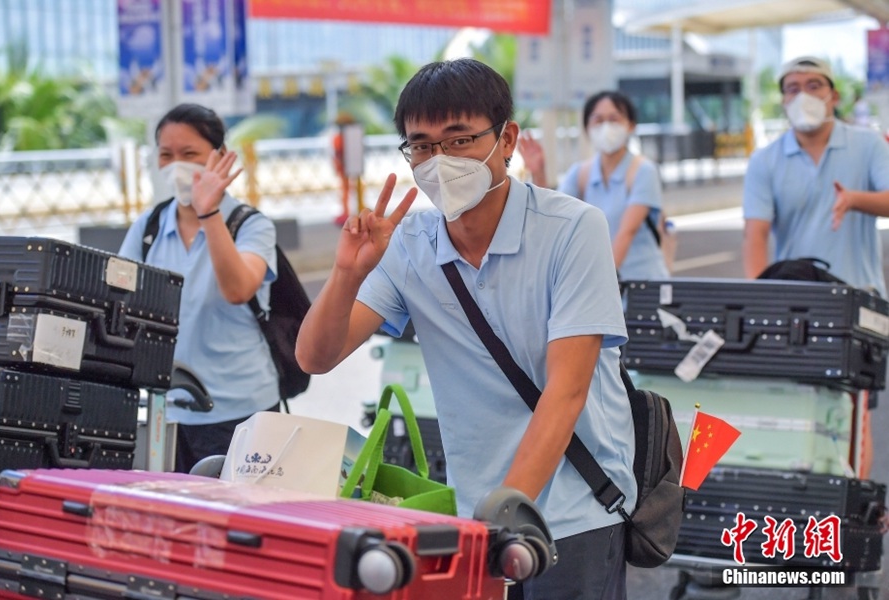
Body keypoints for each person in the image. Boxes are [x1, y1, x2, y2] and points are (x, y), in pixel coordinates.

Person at [296, 58, 636, 599]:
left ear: (507, 140)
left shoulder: (572, 229)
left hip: (573, 510)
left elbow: (566, 391)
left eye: (459, 140)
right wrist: (346, 273)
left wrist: (506, 514)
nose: (440, 161)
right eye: (422, 146)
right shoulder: (408, 244)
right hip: (472, 515)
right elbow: (316, 357)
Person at [743, 57, 889, 479]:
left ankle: (849, 505)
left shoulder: (868, 145)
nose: (802, 95)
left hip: (861, 303)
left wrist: (855, 199)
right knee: (800, 409)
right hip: (796, 306)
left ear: (833, 95)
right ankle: (810, 504)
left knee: (854, 410)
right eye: (792, 88)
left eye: (813, 85)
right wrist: (756, 301)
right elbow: (755, 235)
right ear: (783, 99)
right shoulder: (766, 160)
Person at [119, 103, 280, 473]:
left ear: (219, 158)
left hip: (242, 409)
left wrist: (209, 214)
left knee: (239, 523)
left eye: (189, 154)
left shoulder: (251, 225)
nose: (177, 165)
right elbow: (122, 299)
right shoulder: (149, 226)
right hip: (167, 411)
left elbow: (238, 289)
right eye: (166, 155)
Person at [518, 91, 669, 280]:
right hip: (603, 285)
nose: (606, 126)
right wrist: (539, 172)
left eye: (614, 119)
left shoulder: (643, 171)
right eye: (598, 120)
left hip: (642, 289)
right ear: (587, 128)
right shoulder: (581, 173)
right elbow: (554, 216)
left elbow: (626, 233)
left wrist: (602, 284)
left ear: (630, 125)